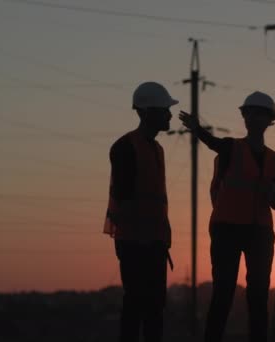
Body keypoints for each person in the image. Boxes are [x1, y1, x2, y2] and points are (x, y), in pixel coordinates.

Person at [180, 91, 275, 342]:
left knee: (258, 297)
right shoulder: (231, 148)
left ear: (270, 120)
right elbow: (212, 142)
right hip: (228, 230)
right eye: (250, 113)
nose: (254, 118)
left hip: (260, 234)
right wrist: (197, 129)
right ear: (245, 118)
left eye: (259, 114)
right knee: (223, 294)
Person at [103, 81, 178, 342]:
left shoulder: (156, 149)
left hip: (154, 242)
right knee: (136, 305)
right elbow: (125, 199)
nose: (169, 115)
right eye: (164, 110)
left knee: (155, 309)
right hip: (135, 242)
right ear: (147, 112)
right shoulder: (125, 147)